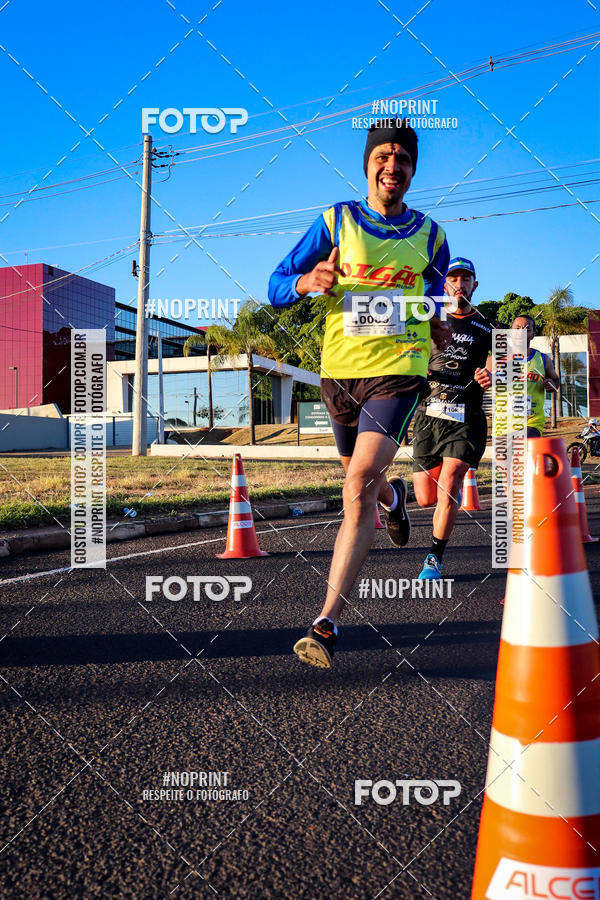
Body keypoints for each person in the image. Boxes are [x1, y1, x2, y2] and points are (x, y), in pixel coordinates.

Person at [268, 119, 451, 668]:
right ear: (368, 164)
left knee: (355, 486)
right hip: (339, 374)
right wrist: (306, 282)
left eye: (403, 158)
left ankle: (326, 623)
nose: (392, 165)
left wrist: (438, 321)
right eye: (383, 156)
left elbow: (436, 300)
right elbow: (276, 284)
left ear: (414, 170)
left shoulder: (432, 236)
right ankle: (394, 499)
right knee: (362, 483)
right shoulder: (336, 220)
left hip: (399, 372)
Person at [411, 257, 493, 580]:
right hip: (429, 414)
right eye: (454, 278)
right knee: (424, 497)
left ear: (475, 285)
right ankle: (403, 496)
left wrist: (491, 375)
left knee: (450, 482)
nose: (460, 284)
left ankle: (434, 557)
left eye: (466, 279)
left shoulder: (487, 327)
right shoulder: (430, 319)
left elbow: (505, 368)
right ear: (445, 285)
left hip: (467, 415)